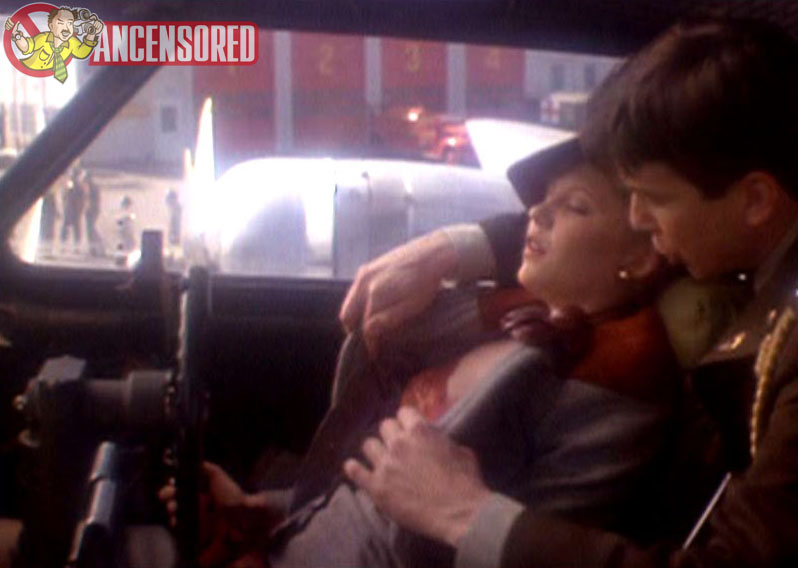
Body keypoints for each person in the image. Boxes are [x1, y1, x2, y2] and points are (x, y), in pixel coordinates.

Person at [341, 19, 798, 568]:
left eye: (653, 200)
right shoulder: (797, 166)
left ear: (755, 199)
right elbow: (646, 217)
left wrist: (465, 514)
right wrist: (457, 249)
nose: (638, 220)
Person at [158, 141, 726, 568]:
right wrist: (260, 511)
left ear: (641, 256)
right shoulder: (510, 320)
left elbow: (452, 529)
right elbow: (376, 489)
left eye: (575, 206)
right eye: (540, 202)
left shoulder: (608, 388)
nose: (536, 214)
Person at [80, 170, 103, 256]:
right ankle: (93, 249)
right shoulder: (87, 187)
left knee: (91, 229)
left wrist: (90, 207)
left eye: (85, 178)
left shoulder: (92, 188)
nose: (84, 180)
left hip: (93, 210)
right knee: (90, 230)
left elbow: (95, 200)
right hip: (89, 210)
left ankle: (98, 246)